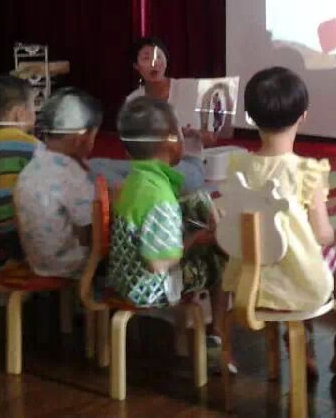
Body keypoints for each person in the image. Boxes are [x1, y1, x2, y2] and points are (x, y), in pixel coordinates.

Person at [226, 66, 336, 377]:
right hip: (301, 288)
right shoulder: (307, 171)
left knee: (296, 252)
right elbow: (322, 235)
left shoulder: (238, 166)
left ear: (250, 117)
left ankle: (305, 345)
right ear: (303, 116)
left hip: (247, 286)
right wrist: (334, 235)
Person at [107, 97, 226, 343]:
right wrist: (196, 239)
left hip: (121, 278)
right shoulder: (159, 197)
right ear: (171, 142)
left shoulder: (133, 182)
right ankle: (218, 334)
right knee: (220, 262)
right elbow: (160, 262)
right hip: (149, 288)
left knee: (197, 200)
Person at [88, 36, 205, 191]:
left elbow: (212, 137)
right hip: (146, 165)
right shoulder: (133, 101)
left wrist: (195, 135)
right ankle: (147, 188)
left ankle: (138, 189)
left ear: (166, 59)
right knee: (93, 165)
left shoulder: (189, 88)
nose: (153, 63)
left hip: (186, 164)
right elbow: (130, 151)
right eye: (146, 58)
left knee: (184, 178)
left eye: (158, 56)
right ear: (136, 66)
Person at [15, 88, 103, 277]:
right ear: (81, 139)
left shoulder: (33, 164)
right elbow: (90, 230)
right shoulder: (73, 175)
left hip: (35, 261)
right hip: (66, 266)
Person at [0, 75, 38, 261]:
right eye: (33, 106)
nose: (36, 112)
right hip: (22, 232)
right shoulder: (32, 147)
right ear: (19, 113)